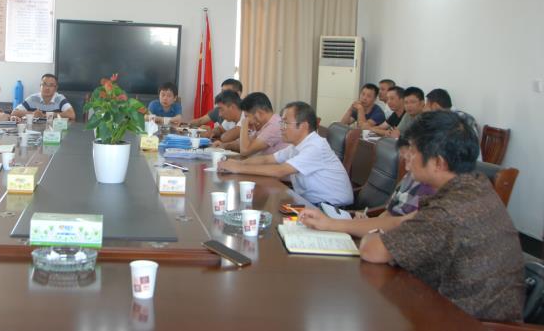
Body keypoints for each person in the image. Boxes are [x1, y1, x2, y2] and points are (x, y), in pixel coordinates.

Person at [359, 111, 525, 321]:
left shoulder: (448, 211)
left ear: (438, 163)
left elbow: (372, 251)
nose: (407, 162)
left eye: (413, 153)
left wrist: (373, 233)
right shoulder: (477, 186)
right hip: (458, 310)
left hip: (466, 322)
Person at [218, 101, 353, 206]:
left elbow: (280, 171)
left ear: (303, 126)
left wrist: (238, 168)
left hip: (331, 208)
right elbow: (267, 160)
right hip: (309, 202)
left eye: (285, 123)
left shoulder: (315, 147)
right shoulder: (296, 145)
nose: (281, 128)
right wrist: (239, 163)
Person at [298, 138, 435, 237]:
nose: (407, 167)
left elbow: (397, 227)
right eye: (405, 159)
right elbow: (388, 213)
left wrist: (333, 224)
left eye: (410, 158)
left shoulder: (432, 194)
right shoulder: (410, 177)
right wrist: (367, 222)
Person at [214, 92, 288, 157]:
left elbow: (245, 151)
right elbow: (243, 143)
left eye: (246, 116)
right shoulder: (262, 125)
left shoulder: (274, 125)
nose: (246, 119)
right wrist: (224, 145)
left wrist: (244, 124)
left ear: (259, 113)